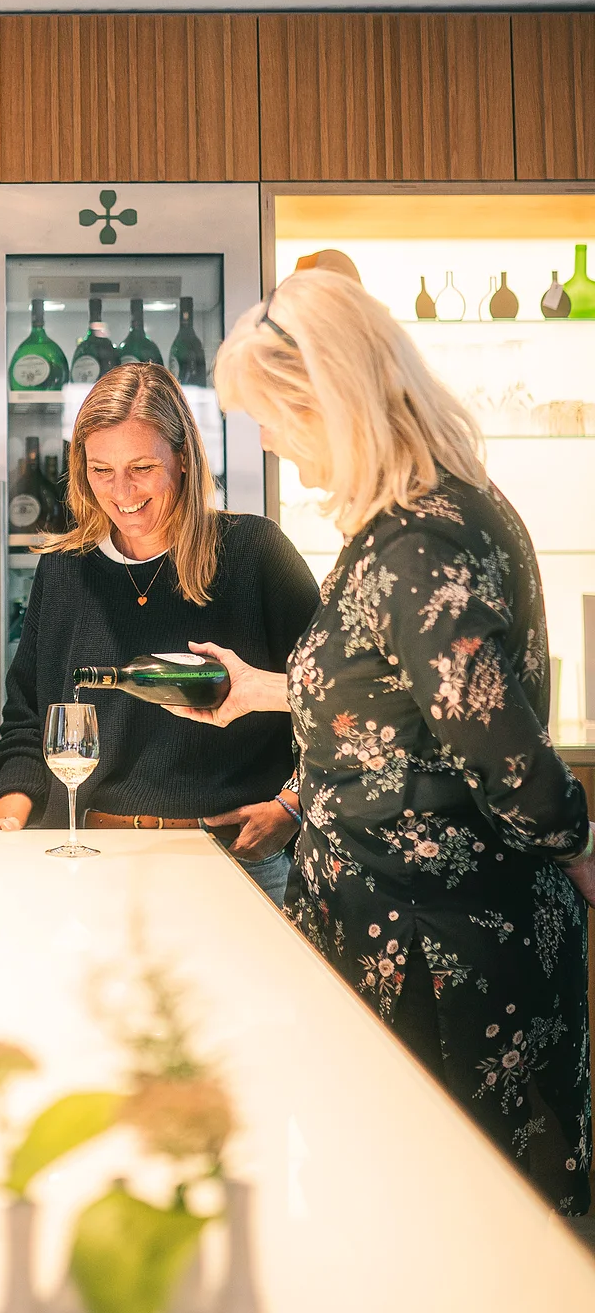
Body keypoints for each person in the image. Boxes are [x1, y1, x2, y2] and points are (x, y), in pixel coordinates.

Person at [209, 269, 594, 1210]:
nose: (265, 437)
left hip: (434, 951)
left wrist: (579, 846)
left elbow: (504, 755)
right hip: (430, 928)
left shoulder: (416, 540)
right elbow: (403, 705)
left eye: (272, 415)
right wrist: (268, 689)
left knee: (426, 1219)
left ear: (328, 404)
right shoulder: (442, 508)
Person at [0, 362, 319, 904]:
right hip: (85, 853)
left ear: (184, 461)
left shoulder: (254, 553)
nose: (121, 492)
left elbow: (332, 705)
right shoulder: (65, 569)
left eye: (142, 467)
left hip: (234, 861)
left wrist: (291, 806)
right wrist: (8, 819)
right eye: (101, 470)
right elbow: (29, 719)